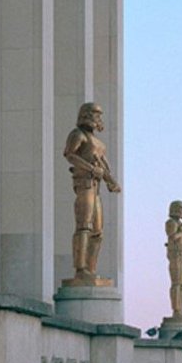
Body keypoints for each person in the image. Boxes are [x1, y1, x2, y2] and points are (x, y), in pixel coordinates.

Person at [62, 102, 121, 281]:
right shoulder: (78, 135)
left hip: (96, 187)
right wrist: (91, 168)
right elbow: (69, 155)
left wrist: (110, 180)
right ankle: (80, 269)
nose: (99, 119)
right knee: (84, 226)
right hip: (84, 184)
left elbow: (104, 167)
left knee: (97, 231)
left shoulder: (99, 144)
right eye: (96, 115)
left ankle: (91, 269)